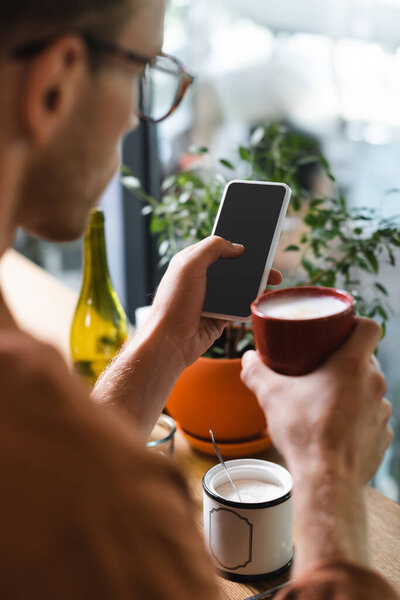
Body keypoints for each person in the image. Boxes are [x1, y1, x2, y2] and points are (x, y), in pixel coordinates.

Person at [0, 0, 397, 598]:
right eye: (142, 74)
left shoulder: (44, 443)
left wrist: (163, 344)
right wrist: (328, 480)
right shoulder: (59, 453)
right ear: (55, 83)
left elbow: (51, 481)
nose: (137, 122)